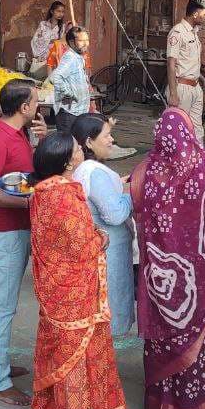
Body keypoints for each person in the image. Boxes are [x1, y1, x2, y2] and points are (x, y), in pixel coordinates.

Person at [134, 107, 205, 409]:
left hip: (160, 274)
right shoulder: (203, 166)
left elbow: (136, 208)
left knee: (161, 339)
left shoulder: (146, 169)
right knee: (195, 342)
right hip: (193, 276)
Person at [28, 131, 127, 409]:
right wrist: (101, 239)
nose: (80, 150)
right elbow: (81, 245)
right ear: (69, 161)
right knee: (79, 353)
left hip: (56, 285)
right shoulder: (63, 196)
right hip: (74, 290)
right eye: (75, 149)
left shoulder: (43, 191)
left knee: (63, 347)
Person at [0, 78, 45, 406]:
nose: (38, 105)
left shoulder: (17, 133)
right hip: (5, 234)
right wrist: (29, 205)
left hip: (17, 230)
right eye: (35, 100)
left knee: (7, 304)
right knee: (2, 307)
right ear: (23, 107)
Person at [69, 113, 134, 337]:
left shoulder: (90, 170)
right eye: (106, 135)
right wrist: (133, 194)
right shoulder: (93, 173)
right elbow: (114, 214)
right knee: (106, 323)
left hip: (101, 253)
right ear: (88, 142)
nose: (112, 140)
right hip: (107, 255)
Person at [167, 0, 205, 139]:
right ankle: (176, 161)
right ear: (195, 14)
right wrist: (173, 93)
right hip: (181, 87)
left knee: (197, 129)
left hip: (195, 87)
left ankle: (197, 160)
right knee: (178, 130)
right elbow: (171, 64)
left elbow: (191, 62)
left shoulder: (194, 32)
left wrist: (203, 80)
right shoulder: (177, 32)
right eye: (204, 15)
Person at [50, 26, 92, 133]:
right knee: (67, 146)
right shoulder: (70, 57)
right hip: (69, 114)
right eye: (81, 41)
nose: (86, 43)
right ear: (72, 43)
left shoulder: (79, 57)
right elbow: (55, 77)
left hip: (78, 112)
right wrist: (69, 93)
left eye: (87, 40)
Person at [29, 1, 66, 79]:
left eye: (62, 12)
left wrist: (55, 42)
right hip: (41, 58)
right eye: (58, 11)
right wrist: (49, 41)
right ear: (52, 11)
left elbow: (62, 44)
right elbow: (35, 40)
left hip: (54, 59)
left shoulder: (62, 27)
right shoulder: (43, 25)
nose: (61, 14)